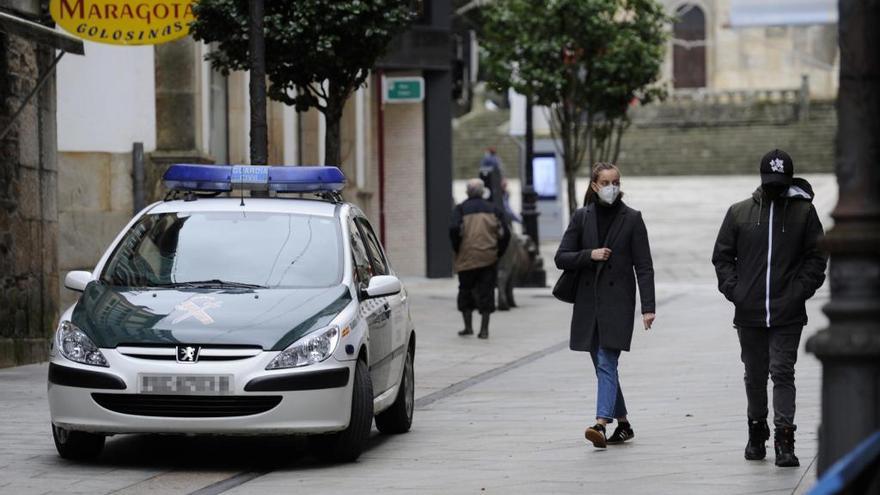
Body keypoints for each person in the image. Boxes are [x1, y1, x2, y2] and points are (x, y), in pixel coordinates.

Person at [712, 149, 827, 467]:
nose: (775, 188)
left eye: (780, 182)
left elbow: (817, 257)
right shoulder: (739, 212)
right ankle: (756, 430)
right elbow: (722, 256)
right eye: (770, 182)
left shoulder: (804, 213)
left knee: (782, 372)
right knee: (754, 375)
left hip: (787, 312)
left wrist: (800, 291)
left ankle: (785, 439)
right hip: (749, 311)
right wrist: (734, 290)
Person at [555, 162, 655, 449]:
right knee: (603, 367)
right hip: (589, 305)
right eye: (607, 182)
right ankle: (624, 424)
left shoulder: (633, 219)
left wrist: (648, 307)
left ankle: (600, 423)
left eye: (617, 181)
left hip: (618, 304)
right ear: (595, 186)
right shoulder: (581, 217)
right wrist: (591, 254)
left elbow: (644, 266)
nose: (613, 187)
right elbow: (562, 257)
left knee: (606, 361)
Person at [450, 179, 511, 339]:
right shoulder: (494, 209)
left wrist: (458, 249)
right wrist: (498, 252)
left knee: (465, 291)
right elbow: (506, 233)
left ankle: (468, 327)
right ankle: (484, 330)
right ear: (483, 192)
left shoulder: (460, 209)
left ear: (467, 192)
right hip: (488, 258)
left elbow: (454, 229)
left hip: (466, 258)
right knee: (487, 292)